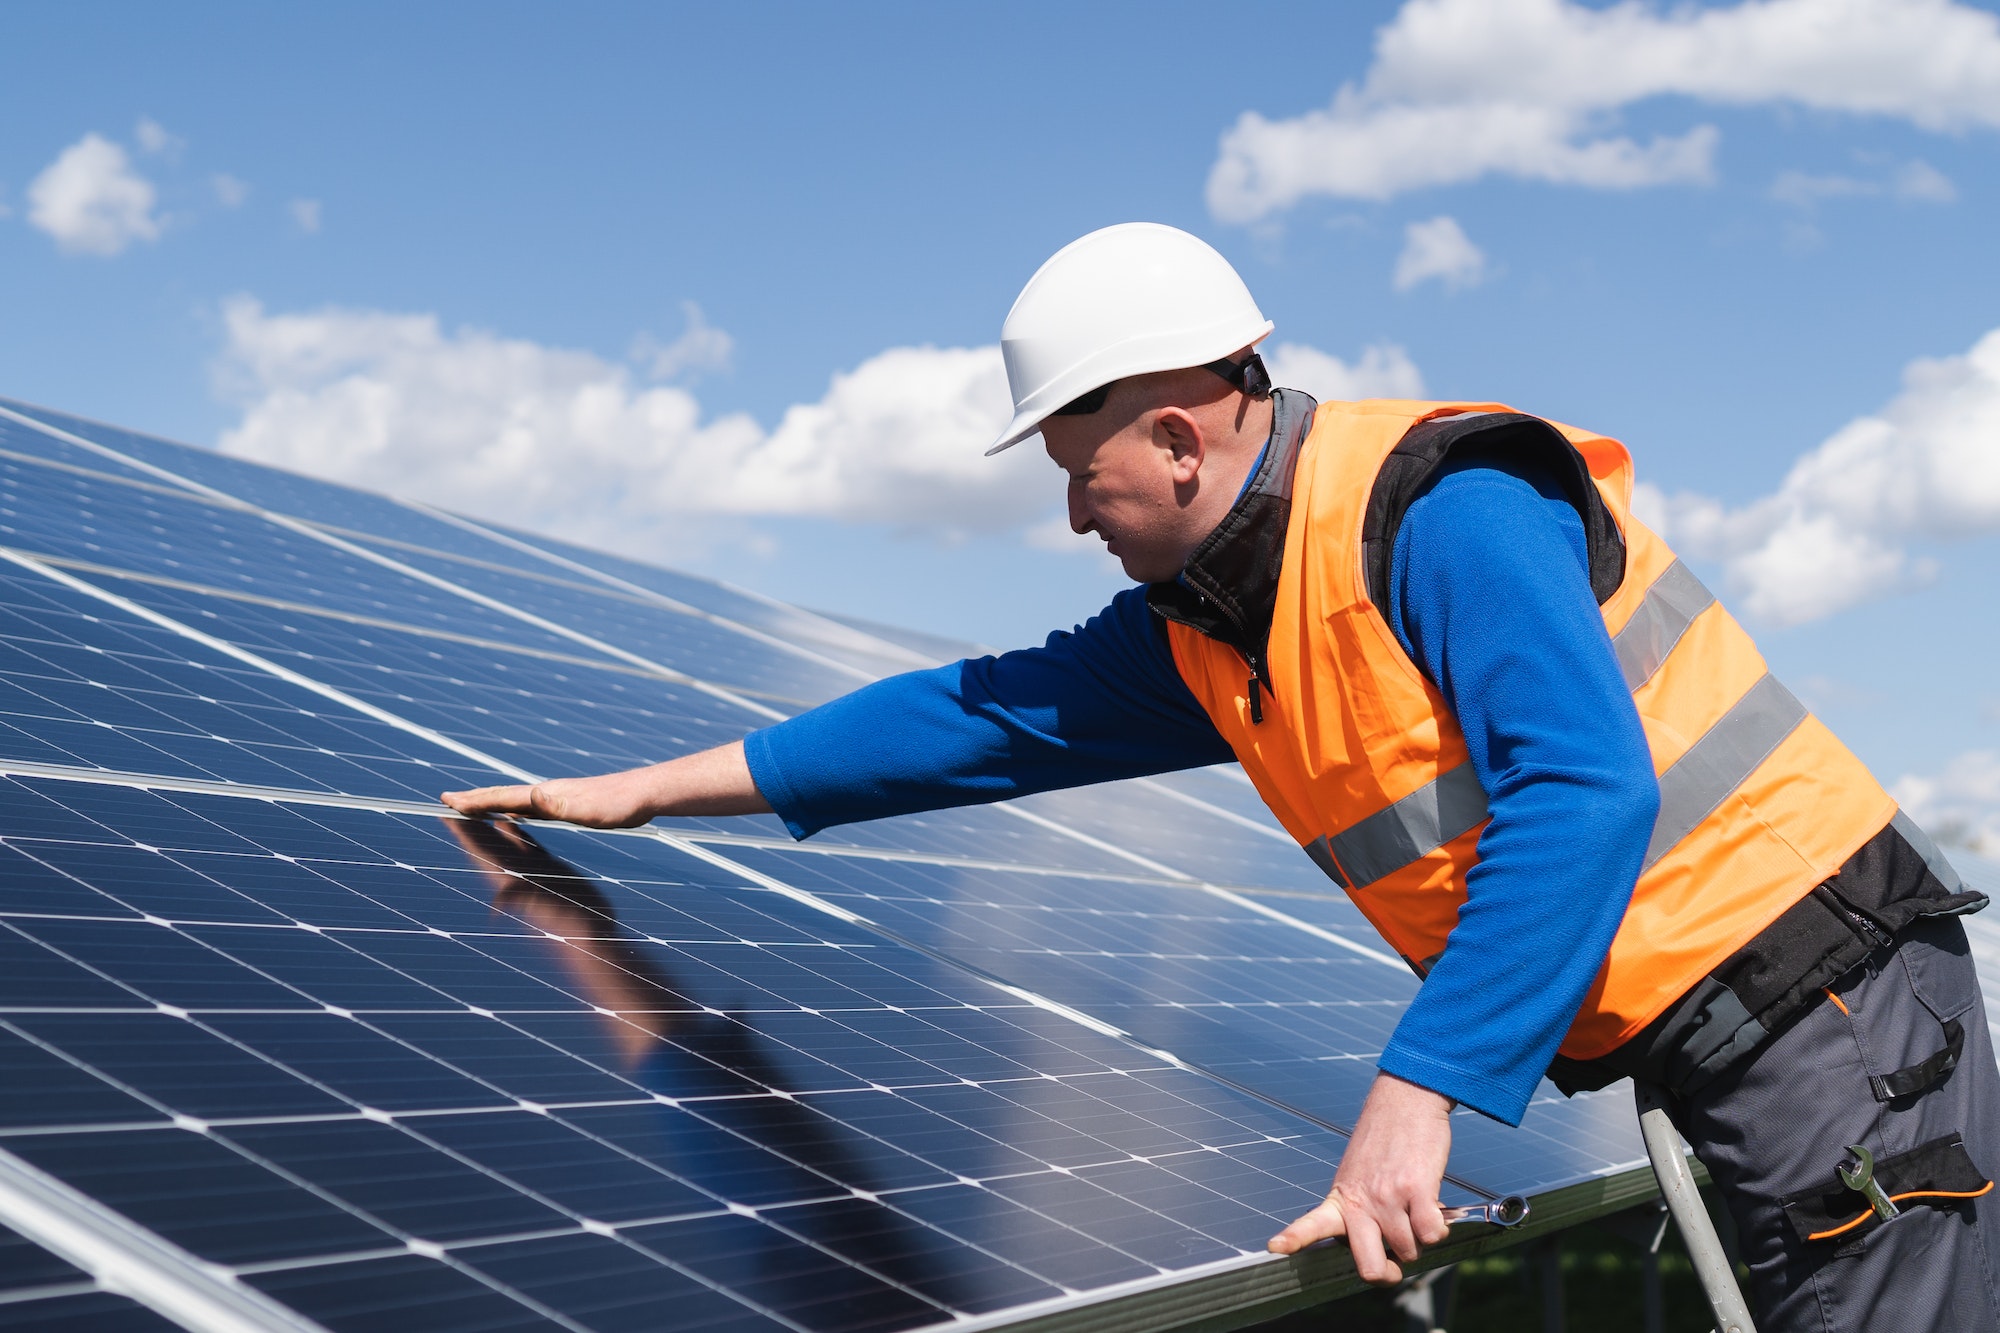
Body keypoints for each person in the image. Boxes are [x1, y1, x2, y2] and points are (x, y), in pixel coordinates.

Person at [446, 223, 2000, 1330]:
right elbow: (975, 718)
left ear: (1180, 438)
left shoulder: (1437, 508)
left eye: (1082, 474)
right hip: (1741, 1051)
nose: (1075, 518)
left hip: (1839, 1026)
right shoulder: (1210, 625)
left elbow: (1586, 790)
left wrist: (1420, 1095)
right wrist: (648, 790)